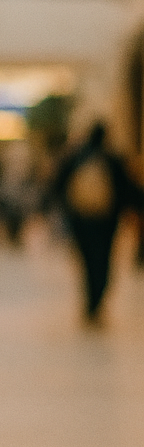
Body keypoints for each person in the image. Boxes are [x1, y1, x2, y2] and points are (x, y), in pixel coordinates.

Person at [52, 121, 143, 322]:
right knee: (103, 259)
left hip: (81, 219)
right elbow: (127, 190)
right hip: (106, 221)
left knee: (86, 260)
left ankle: (90, 300)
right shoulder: (112, 159)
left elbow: (58, 185)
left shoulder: (75, 157)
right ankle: (98, 298)